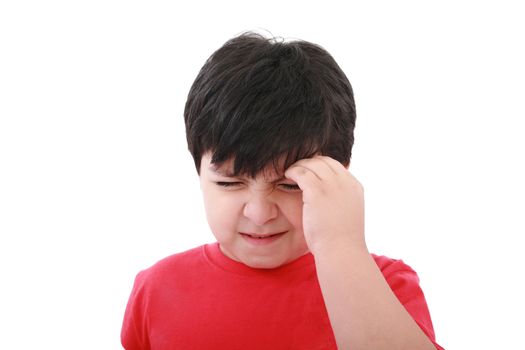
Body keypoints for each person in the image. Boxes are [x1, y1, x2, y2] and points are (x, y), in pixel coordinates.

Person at [121, 31, 444, 350]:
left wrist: (341, 244)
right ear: (199, 173)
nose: (260, 214)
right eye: (230, 183)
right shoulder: (156, 288)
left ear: (339, 178)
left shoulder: (384, 286)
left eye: (289, 185)